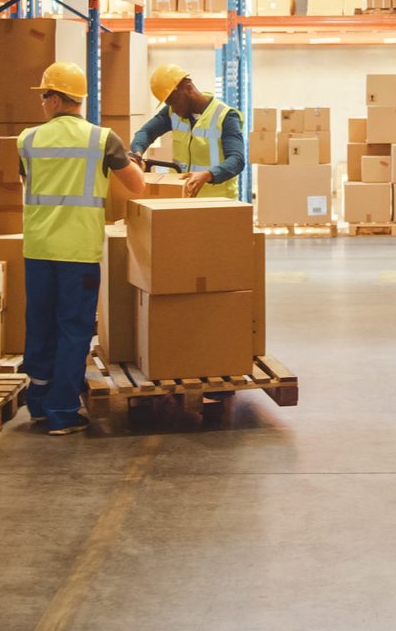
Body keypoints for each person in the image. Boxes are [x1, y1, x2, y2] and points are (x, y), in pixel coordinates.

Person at [19, 61, 146, 435]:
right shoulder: (102, 139)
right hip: (77, 252)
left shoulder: (26, 139)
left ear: (57, 99)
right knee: (73, 328)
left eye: (44, 96)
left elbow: (28, 180)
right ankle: (61, 412)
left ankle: (39, 404)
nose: (42, 103)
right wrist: (131, 161)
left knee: (39, 323)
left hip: (38, 248)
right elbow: (136, 185)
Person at [129, 63, 246, 199]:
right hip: (184, 198)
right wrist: (137, 153)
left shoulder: (225, 116)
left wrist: (209, 174)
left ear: (188, 87)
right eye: (168, 103)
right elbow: (146, 132)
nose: (174, 108)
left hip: (218, 201)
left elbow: (237, 160)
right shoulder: (172, 111)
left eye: (174, 101)